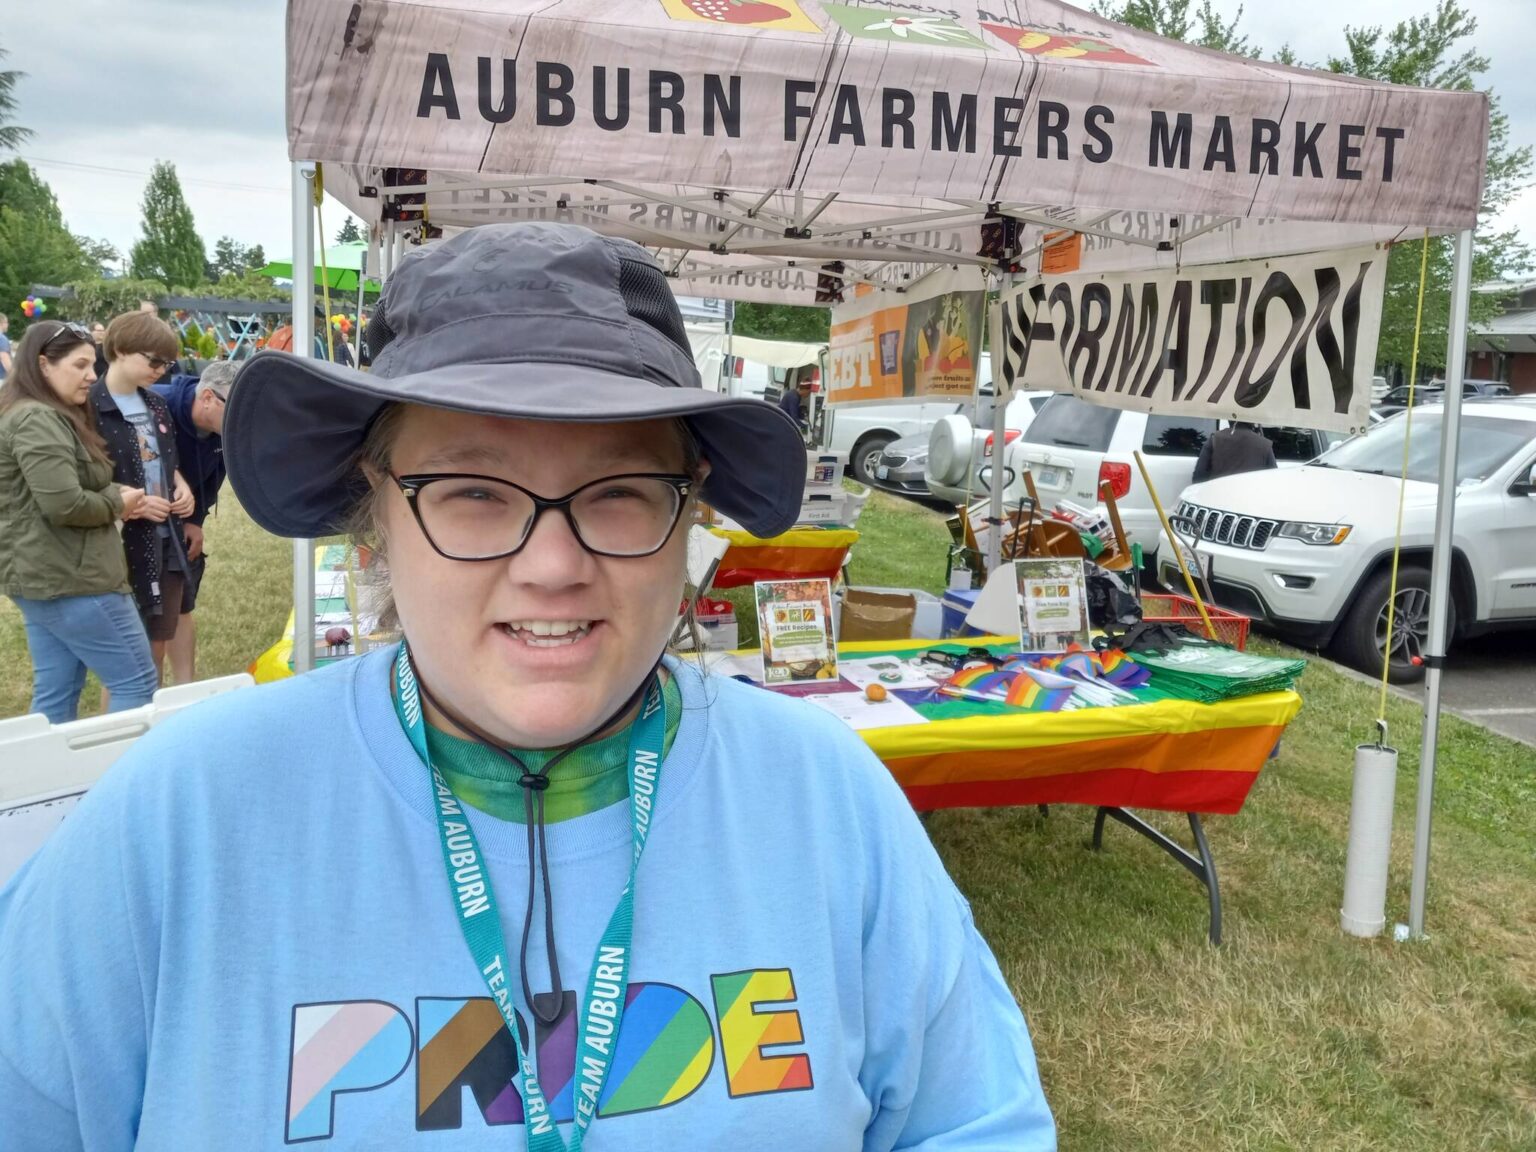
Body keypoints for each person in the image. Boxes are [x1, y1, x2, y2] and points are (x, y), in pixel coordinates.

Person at [0, 224, 1056, 1149]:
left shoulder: (830, 801)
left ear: (689, 516)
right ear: (377, 517)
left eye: (622, 491)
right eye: (469, 491)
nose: (552, 565)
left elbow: (973, 1123)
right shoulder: (184, 818)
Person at [0, 321, 160, 722]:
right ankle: (117, 781)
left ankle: (47, 783)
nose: (93, 375)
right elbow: (65, 505)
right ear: (43, 364)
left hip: (51, 578)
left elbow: (57, 490)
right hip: (74, 579)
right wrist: (116, 501)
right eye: (81, 365)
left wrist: (111, 493)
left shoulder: (35, 413)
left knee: (56, 693)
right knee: (136, 685)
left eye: (94, 364)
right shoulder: (37, 419)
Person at [92, 311, 197, 685]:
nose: (159, 370)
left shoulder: (156, 404)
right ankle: (138, 715)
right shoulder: (88, 408)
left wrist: (180, 484)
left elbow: (166, 459)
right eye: (152, 361)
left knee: (164, 631)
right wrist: (130, 504)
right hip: (121, 543)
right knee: (136, 651)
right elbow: (83, 480)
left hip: (165, 534)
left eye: (166, 363)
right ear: (119, 350)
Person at [150, 360, 236, 685]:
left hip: (181, 522)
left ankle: (185, 690)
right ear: (208, 398)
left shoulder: (223, 430)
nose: (239, 418)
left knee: (182, 603)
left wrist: (195, 519)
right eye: (234, 407)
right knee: (154, 620)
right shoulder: (158, 407)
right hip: (145, 523)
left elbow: (214, 477)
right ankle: (151, 694)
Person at [1191, 421, 1278, 484]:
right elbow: (1274, 481)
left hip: (1218, 500)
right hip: (1250, 503)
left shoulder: (1215, 438)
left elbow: (1198, 477)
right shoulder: (1265, 444)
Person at [0, 311, 12, 379]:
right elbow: (4, 358)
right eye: (6, 322)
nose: (7, 324)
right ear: (1, 323)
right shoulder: (2, 339)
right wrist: (14, 376)